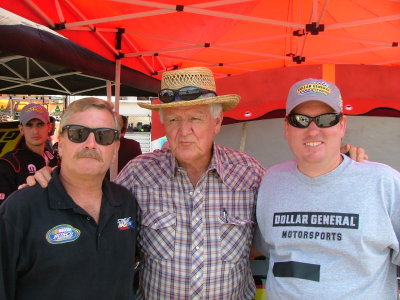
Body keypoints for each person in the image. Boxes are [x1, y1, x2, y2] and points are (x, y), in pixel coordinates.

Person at [25, 68, 367, 300]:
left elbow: (281, 219)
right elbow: (89, 204)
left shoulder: (251, 174)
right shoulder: (137, 175)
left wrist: (342, 165)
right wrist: (49, 182)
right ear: (162, 123)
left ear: (217, 122)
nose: (183, 129)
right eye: (173, 119)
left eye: (195, 118)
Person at [255, 78, 400, 299]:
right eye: (300, 120)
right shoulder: (271, 181)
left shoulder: (384, 182)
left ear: (342, 125)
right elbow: (266, 248)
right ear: (286, 128)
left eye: (326, 119)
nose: (313, 131)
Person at [0, 98, 138, 300]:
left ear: (115, 148)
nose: (91, 144)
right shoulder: (20, 210)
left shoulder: (126, 203)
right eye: (78, 134)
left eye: (104, 136)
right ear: (61, 143)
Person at [0, 103, 58, 204]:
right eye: (29, 125)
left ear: (49, 127)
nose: (35, 131)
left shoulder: (56, 160)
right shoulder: (10, 163)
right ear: (21, 129)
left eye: (40, 124)